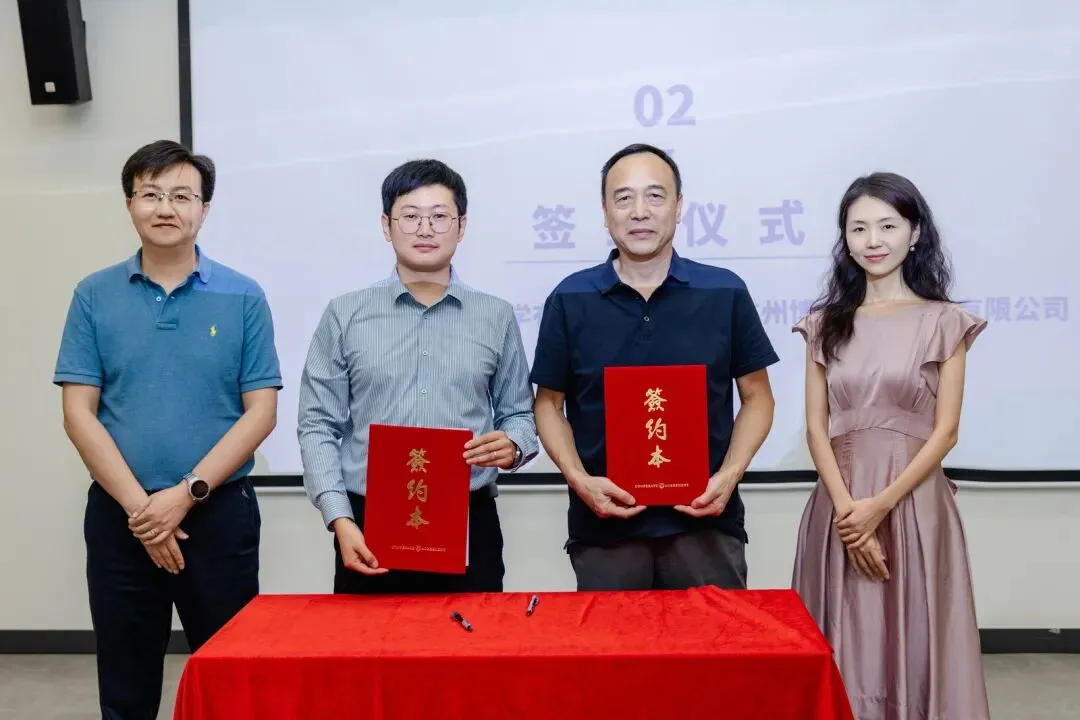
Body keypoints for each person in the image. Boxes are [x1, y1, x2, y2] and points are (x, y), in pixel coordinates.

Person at [54, 140, 282, 720]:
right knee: (125, 688)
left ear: (204, 209)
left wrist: (184, 495)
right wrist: (143, 512)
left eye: (182, 196)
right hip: (121, 518)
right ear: (129, 204)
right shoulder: (94, 294)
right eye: (150, 194)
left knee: (230, 683)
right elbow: (78, 412)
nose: (165, 208)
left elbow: (261, 412)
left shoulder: (243, 295)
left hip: (218, 514)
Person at [530, 143, 779, 591]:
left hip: (705, 525)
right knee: (612, 640)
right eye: (623, 198)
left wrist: (730, 475)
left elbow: (758, 397)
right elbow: (548, 404)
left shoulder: (724, 292)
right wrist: (580, 480)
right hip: (605, 531)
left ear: (679, 207)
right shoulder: (569, 298)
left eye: (655, 196)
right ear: (605, 213)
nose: (639, 212)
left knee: (712, 639)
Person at [791, 172, 990, 719]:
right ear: (845, 238)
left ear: (915, 232)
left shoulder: (945, 321)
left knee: (918, 634)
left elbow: (946, 431)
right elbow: (816, 428)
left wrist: (879, 506)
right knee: (845, 638)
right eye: (858, 228)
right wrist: (849, 514)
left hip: (914, 504)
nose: (873, 240)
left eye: (887, 226)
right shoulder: (824, 324)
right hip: (840, 507)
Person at [297, 158, 539, 595]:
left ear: (462, 226)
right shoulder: (345, 314)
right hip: (367, 523)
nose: (425, 229)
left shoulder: (496, 316)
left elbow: (519, 414)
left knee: (472, 639)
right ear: (386, 226)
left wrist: (515, 445)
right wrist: (340, 519)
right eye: (410, 216)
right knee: (371, 641)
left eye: (440, 216)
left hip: (469, 521)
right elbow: (317, 424)